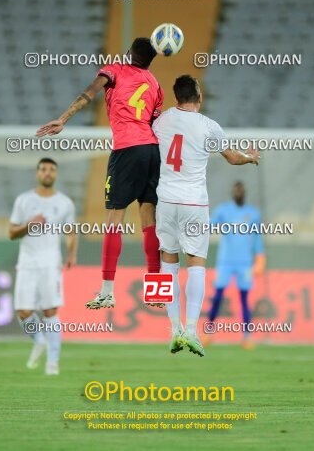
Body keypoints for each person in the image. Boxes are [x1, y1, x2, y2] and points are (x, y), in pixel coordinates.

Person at [36, 38, 164, 309]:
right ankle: (156, 292)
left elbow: (89, 92)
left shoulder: (115, 69)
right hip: (152, 150)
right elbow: (156, 121)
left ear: (129, 53)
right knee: (149, 220)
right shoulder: (155, 84)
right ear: (151, 61)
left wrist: (63, 118)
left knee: (114, 220)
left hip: (127, 149)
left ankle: (107, 291)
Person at [152, 75, 260, 357]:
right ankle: (191, 330)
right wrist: (249, 157)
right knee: (196, 263)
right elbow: (233, 158)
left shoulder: (161, 121)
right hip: (194, 204)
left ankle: (174, 329)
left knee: (168, 262)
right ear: (198, 96)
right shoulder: (208, 127)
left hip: (164, 200)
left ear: (177, 97)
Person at [9, 158, 77, 375]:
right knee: (23, 311)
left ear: (55, 174)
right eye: (43, 169)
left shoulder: (65, 203)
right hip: (27, 263)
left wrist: (71, 254)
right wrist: (29, 224)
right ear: (37, 173)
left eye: (51, 170)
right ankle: (39, 340)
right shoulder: (24, 200)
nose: (47, 173)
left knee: (50, 311)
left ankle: (53, 362)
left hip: (50, 263)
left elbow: (71, 231)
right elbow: (11, 233)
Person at [207, 181, 266, 348]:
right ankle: (208, 333)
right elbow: (210, 226)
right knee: (217, 296)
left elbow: (257, 238)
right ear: (233, 193)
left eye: (241, 190)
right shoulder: (223, 211)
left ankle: (246, 337)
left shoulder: (252, 213)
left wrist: (260, 258)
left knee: (245, 299)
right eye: (236, 190)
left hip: (245, 263)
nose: (238, 192)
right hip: (225, 261)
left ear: (244, 193)